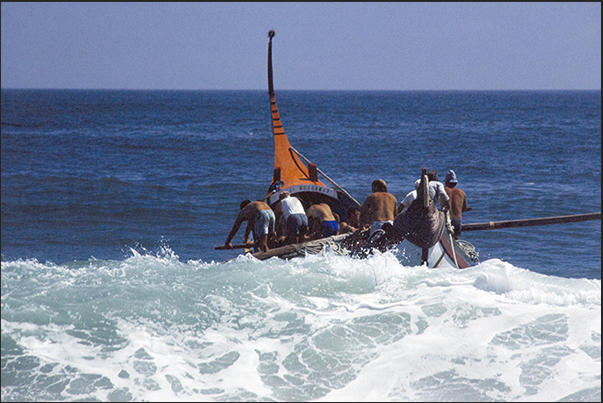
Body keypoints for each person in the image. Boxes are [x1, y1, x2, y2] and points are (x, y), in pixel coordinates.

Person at [444, 169, 472, 239]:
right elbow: (464, 209)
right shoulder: (462, 193)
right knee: (456, 239)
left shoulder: (444, 190)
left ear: (446, 182)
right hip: (457, 220)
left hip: (446, 219)